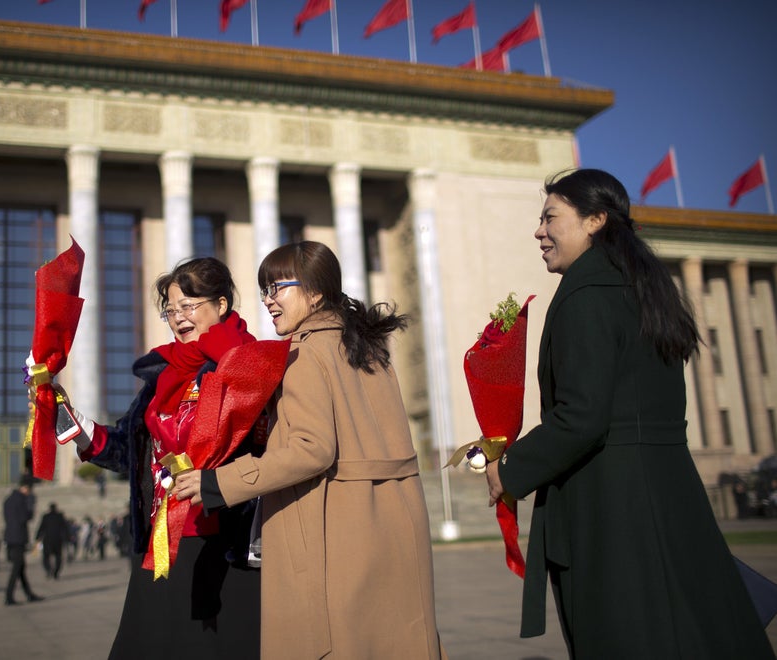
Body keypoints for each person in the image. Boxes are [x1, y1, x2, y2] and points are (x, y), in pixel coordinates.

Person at [483, 169, 775, 659]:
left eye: (550, 218)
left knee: (626, 631)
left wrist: (508, 469)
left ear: (595, 220)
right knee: (687, 627)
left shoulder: (585, 296)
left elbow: (582, 416)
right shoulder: (641, 288)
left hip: (611, 503)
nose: (539, 231)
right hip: (667, 491)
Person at [175, 241, 447, 660]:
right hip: (393, 525)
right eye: (264, 290)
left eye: (277, 288)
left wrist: (219, 481)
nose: (268, 300)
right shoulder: (370, 349)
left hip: (332, 531)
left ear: (316, 292)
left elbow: (311, 450)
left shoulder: (303, 354)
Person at [62, 257, 278, 659]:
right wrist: (80, 427)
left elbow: (269, 450)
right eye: (171, 309)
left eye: (189, 305)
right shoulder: (163, 374)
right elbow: (130, 448)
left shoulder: (251, 363)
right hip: (162, 541)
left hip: (224, 541)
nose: (178, 317)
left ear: (222, 305)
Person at [3, 477, 42, 605]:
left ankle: (29, 594)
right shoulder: (21, 500)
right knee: (17, 568)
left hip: (10, 536)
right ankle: (9, 596)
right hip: (18, 536)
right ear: (25, 488)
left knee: (20, 567)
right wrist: (31, 506)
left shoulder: (8, 500)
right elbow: (25, 517)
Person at [35, 503, 66, 579]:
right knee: (58, 557)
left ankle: (48, 570)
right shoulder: (60, 516)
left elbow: (41, 527)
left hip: (47, 540)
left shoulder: (46, 516)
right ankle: (56, 572)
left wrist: (37, 537)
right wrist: (67, 538)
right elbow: (65, 528)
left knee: (46, 557)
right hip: (57, 540)